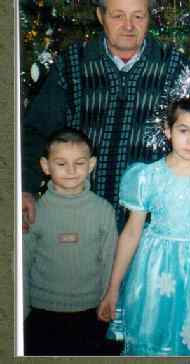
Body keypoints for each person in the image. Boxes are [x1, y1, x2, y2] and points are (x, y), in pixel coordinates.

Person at [22, 0, 190, 228]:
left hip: (151, 225)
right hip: (81, 215)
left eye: (138, 16)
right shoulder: (72, 66)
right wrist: (25, 188)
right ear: (101, 16)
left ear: (148, 18)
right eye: (118, 16)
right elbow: (37, 130)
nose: (128, 26)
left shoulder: (173, 67)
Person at [97, 96, 190, 356]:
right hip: (154, 270)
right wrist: (113, 287)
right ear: (168, 130)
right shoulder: (146, 177)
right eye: (183, 130)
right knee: (154, 334)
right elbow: (131, 233)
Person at [23, 128, 118, 356]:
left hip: (90, 310)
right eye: (61, 164)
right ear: (46, 166)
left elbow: (109, 260)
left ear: (91, 165)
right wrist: (22, 308)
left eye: (79, 163)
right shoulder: (35, 211)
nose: (71, 171)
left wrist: (107, 299)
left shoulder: (103, 210)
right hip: (41, 310)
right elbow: (23, 263)